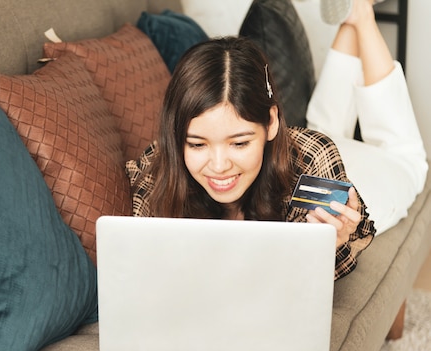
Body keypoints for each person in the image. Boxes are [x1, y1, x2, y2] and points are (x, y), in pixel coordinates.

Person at [126, 0, 426, 280]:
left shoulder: (314, 160)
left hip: (369, 174)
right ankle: (352, 15)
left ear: (271, 123)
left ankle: (361, 15)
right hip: (309, 145)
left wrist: (335, 241)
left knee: (406, 155)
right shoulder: (158, 166)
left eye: (239, 143)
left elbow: (301, 281)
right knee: (323, 124)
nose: (218, 166)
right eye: (197, 144)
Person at [310, 0, 428, 235]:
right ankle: (360, 10)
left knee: (323, 131)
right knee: (404, 153)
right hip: (353, 183)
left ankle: (358, 11)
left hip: (324, 169)